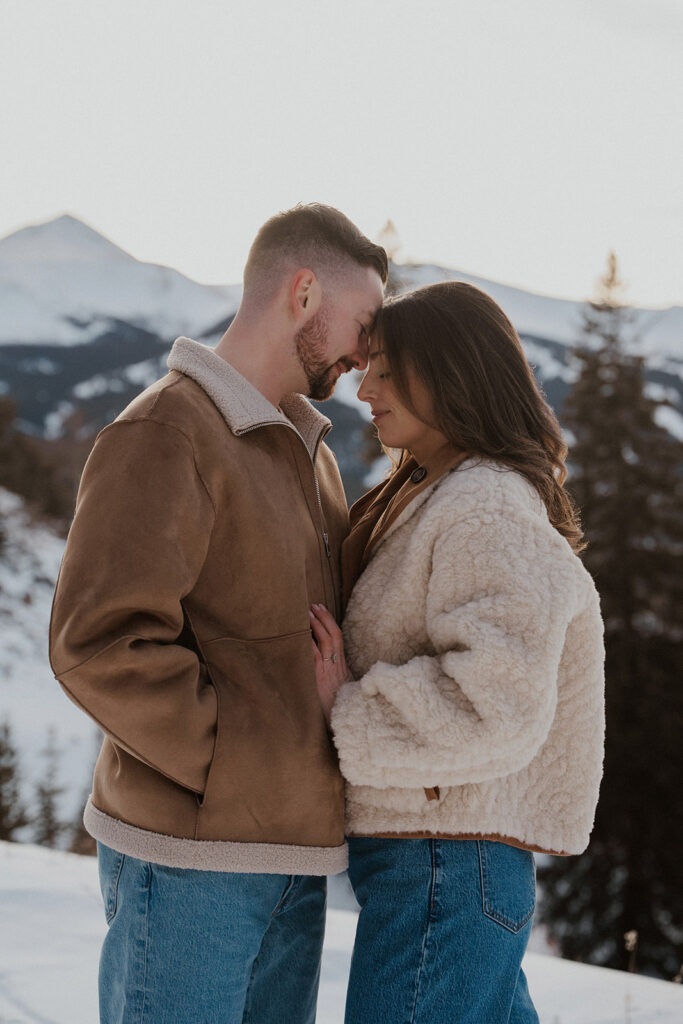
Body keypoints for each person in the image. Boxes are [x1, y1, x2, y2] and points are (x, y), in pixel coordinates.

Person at [49, 203, 387, 1024]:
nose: (365, 353)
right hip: (189, 864)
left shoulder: (312, 457)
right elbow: (97, 644)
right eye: (364, 323)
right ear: (303, 293)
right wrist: (231, 765)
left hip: (291, 859)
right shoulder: (167, 431)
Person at [310, 281, 605, 1024]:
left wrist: (345, 708)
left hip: (444, 866)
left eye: (384, 368)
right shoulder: (431, 490)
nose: (363, 388)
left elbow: (495, 706)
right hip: (441, 865)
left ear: (450, 372)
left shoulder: (485, 504)